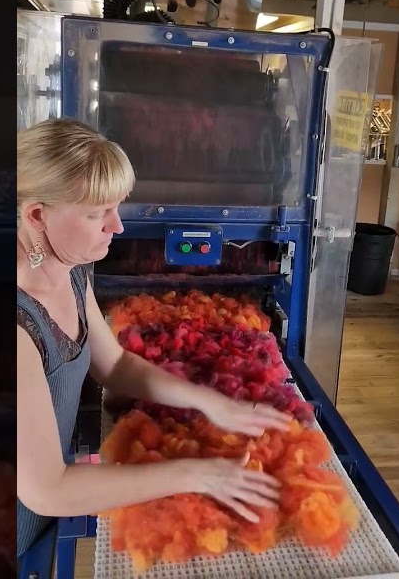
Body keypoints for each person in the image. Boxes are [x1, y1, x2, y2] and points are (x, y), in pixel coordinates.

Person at [16, 118, 294, 556]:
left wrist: (211, 402)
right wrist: (198, 473)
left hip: (53, 494)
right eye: (96, 214)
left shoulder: (69, 270)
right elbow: (47, 489)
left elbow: (118, 366)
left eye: (116, 208)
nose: (118, 227)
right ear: (37, 215)